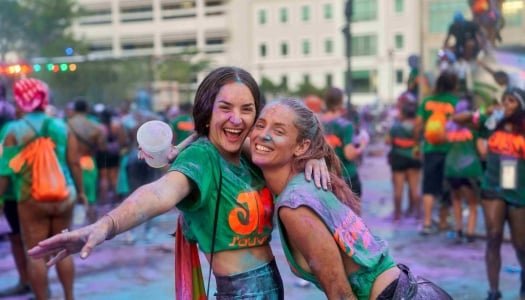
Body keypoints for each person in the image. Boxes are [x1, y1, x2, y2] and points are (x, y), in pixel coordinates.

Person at [27, 67, 328, 299]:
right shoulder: (202, 158)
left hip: (272, 288)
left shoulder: (249, 153)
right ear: (207, 111)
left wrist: (311, 158)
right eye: (225, 108)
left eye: (246, 109)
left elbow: (296, 147)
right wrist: (105, 226)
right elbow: (160, 192)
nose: (237, 119)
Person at [249, 98, 453, 299]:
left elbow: (341, 295)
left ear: (301, 147)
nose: (263, 135)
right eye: (260, 125)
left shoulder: (295, 206)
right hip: (408, 288)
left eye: (279, 131)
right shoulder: (306, 182)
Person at [0, 78, 86, 300]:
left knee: (36, 254)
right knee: (64, 250)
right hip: (65, 194)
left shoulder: (13, 131)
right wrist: (82, 193)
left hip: (31, 198)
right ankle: (69, 297)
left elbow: (5, 172)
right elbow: (75, 163)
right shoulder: (61, 126)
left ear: (20, 102)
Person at [453, 87, 525, 300]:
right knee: (493, 237)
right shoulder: (492, 123)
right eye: (504, 100)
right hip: (493, 187)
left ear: (521, 104)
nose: (507, 104)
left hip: (519, 190)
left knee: (521, 244)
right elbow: (458, 119)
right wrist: (485, 111)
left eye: (511, 101)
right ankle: (494, 291)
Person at [415, 71, 460, 235]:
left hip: (430, 149)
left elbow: (418, 124)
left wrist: (415, 146)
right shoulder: (456, 102)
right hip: (450, 150)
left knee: (429, 186)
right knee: (446, 187)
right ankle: (442, 222)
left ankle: (427, 222)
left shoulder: (427, 102)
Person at [0, 81, 31, 297]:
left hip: (12, 191)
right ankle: (35, 284)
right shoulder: (15, 118)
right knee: (30, 237)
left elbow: (5, 169)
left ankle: (27, 281)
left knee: (19, 239)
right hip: (33, 189)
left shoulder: (6, 125)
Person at [444, 99, 482, 243]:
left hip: (452, 170)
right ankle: (470, 233)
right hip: (471, 171)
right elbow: (482, 151)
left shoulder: (448, 128)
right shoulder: (474, 131)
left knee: (456, 199)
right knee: (473, 203)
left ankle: (459, 230)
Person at [321, 87, 366, 198]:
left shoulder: (317, 122)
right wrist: (362, 145)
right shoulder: (345, 125)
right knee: (353, 213)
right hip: (346, 176)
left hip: (325, 177)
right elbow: (349, 155)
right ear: (341, 102)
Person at [67, 97, 106, 223]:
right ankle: (93, 228)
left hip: (69, 164)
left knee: (70, 197)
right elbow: (102, 147)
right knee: (90, 198)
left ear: (74, 109)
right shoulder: (95, 126)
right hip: (88, 162)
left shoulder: (66, 124)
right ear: (87, 109)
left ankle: (70, 230)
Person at [386, 93, 422, 222]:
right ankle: (418, 215)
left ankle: (397, 215)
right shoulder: (417, 128)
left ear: (403, 113)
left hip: (398, 159)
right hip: (414, 158)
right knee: (414, 189)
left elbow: (388, 142)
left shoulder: (396, 127)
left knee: (398, 189)